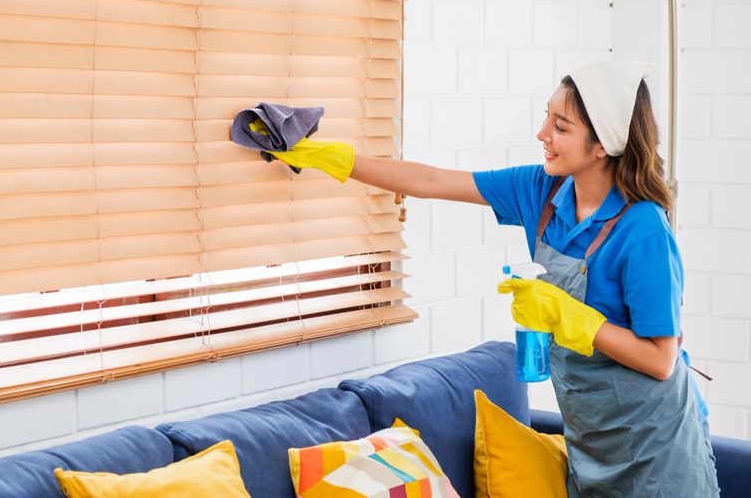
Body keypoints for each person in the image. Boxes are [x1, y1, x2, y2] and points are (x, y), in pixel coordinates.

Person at [255, 60, 720, 496]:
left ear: (603, 145)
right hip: (591, 438)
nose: (543, 133)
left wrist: (571, 317)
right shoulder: (542, 190)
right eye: (547, 117)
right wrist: (335, 159)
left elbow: (661, 360)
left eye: (561, 127)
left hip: (658, 449)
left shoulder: (643, 230)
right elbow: (432, 181)